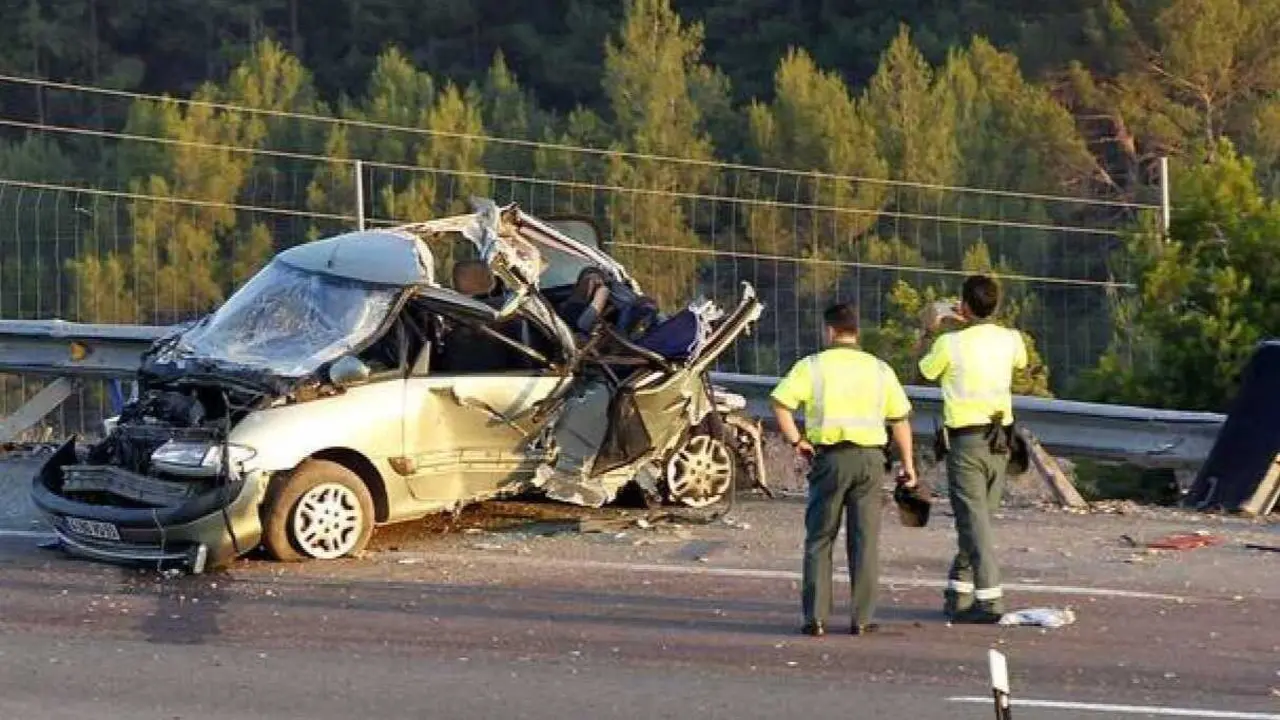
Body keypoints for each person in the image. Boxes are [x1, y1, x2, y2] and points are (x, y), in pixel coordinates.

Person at [770, 303, 917, 637]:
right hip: (870, 461)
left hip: (831, 460)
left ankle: (816, 618)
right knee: (864, 540)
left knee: (820, 537)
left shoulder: (812, 366)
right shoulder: (880, 369)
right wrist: (908, 465)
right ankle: (862, 618)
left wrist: (797, 441)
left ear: (830, 331)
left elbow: (780, 404)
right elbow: (900, 420)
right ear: (856, 332)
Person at [916, 274, 1028, 624]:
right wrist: (975, 319)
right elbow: (1021, 362)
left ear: (963, 306)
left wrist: (929, 329)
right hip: (1001, 441)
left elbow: (924, 372)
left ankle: (987, 600)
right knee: (979, 521)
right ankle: (960, 594)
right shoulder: (1011, 340)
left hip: (966, 442)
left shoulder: (949, 344)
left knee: (975, 524)